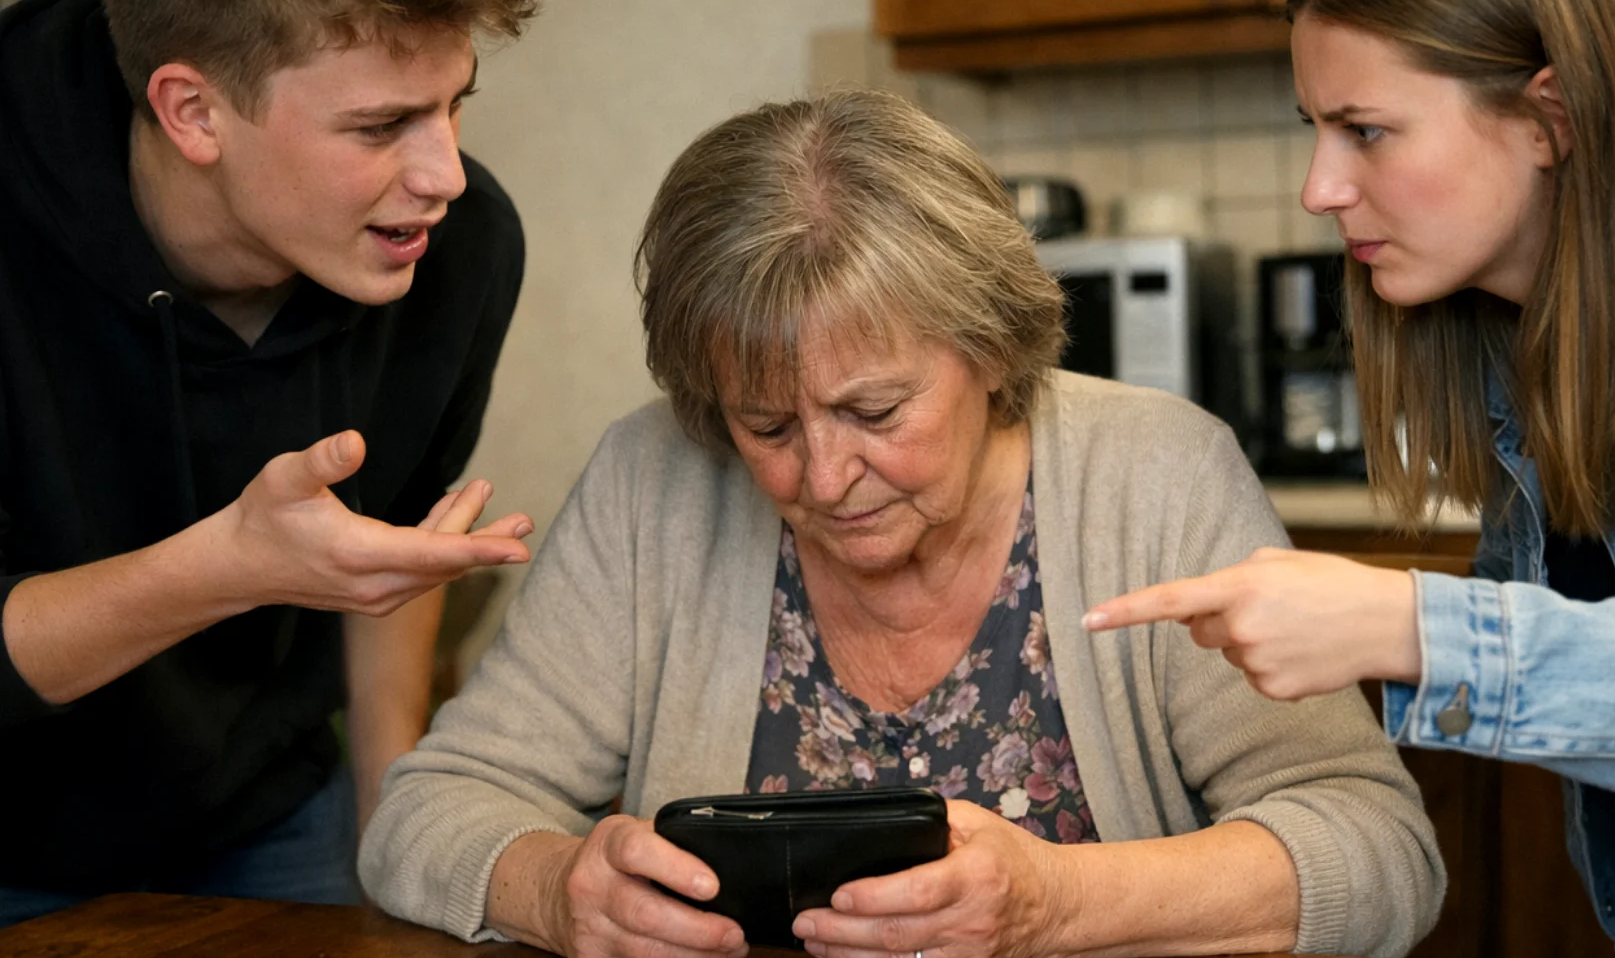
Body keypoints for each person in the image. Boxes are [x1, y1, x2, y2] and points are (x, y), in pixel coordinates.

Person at [358, 88, 1444, 958]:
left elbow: (1380, 855)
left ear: (988, 346)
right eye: (766, 423)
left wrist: (1059, 906)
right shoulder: (656, 483)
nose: (825, 478)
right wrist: (557, 894)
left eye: (875, 412)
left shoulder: (1156, 476)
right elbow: (425, 815)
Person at [1084, 0, 1615, 954]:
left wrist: (1408, 624)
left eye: (1365, 132)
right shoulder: (1514, 328)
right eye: (1317, 130)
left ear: (1550, 117)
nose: (1320, 188)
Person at [0, 0, 542, 926]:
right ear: (193, 112)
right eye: (382, 125)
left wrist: (393, 821)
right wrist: (230, 567)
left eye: (455, 103)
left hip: (274, 811)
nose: (447, 175)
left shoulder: (463, 251)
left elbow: (391, 552)